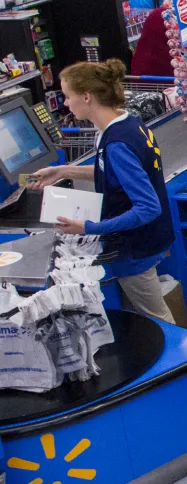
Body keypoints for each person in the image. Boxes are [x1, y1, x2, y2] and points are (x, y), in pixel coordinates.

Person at [30, 60, 176, 324]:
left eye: (68, 96)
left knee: (158, 321)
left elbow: (147, 207)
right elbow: (112, 171)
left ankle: (185, 363)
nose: (65, 103)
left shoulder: (117, 143)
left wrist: (89, 227)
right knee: (145, 318)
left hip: (135, 248)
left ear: (86, 96)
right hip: (145, 240)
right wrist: (63, 171)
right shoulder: (125, 125)